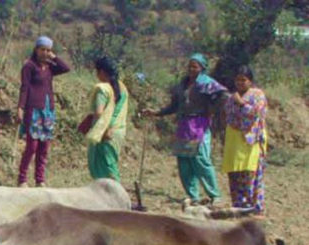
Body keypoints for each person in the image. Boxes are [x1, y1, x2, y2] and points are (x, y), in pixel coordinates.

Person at [143, 53, 228, 205]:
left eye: (195, 66)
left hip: (199, 124)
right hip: (184, 125)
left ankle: (214, 195)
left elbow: (223, 96)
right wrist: (157, 112)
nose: (191, 69)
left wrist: (212, 109)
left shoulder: (207, 83)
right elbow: (175, 106)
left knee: (200, 159)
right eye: (190, 66)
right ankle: (192, 194)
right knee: (184, 161)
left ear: (202, 68)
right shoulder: (183, 84)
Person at [16, 36, 70, 188]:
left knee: (44, 147)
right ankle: (22, 179)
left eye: (48, 50)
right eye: (43, 49)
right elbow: (24, 88)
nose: (45, 53)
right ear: (36, 49)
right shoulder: (29, 66)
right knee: (31, 146)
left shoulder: (50, 67)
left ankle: (40, 179)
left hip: (48, 111)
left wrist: (54, 57)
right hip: (33, 110)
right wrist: (20, 107)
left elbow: (66, 68)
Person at [222, 65, 267, 216]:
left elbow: (254, 113)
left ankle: (254, 206)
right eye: (238, 80)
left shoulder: (258, 95)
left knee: (251, 173)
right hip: (234, 140)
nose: (240, 83)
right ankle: (239, 204)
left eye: (244, 80)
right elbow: (228, 115)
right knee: (235, 173)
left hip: (251, 140)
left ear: (250, 81)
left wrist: (241, 103)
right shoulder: (231, 97)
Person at [85, 56, 129, 181]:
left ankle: (115, 196)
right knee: (111, 164)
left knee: (104, 167)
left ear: (102, 72)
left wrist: (103, 130)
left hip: (105, 133)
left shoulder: (103, 89)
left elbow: (99, 113)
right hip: (118, 132)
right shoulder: (122, 88)